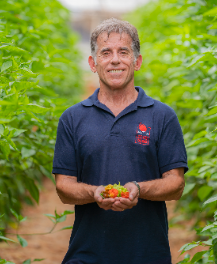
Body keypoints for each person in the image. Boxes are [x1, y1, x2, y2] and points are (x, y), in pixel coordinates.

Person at [52, 18, 188, 264]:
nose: (115, 60)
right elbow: (63, 187)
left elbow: (176, 184)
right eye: (106, 53)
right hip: (86, 255)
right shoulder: (72, 118)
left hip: (148, 255)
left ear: (137, 61)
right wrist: (95, 192)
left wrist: (138, 188)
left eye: (123, 52)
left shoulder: (162, 116)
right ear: (93, 63)